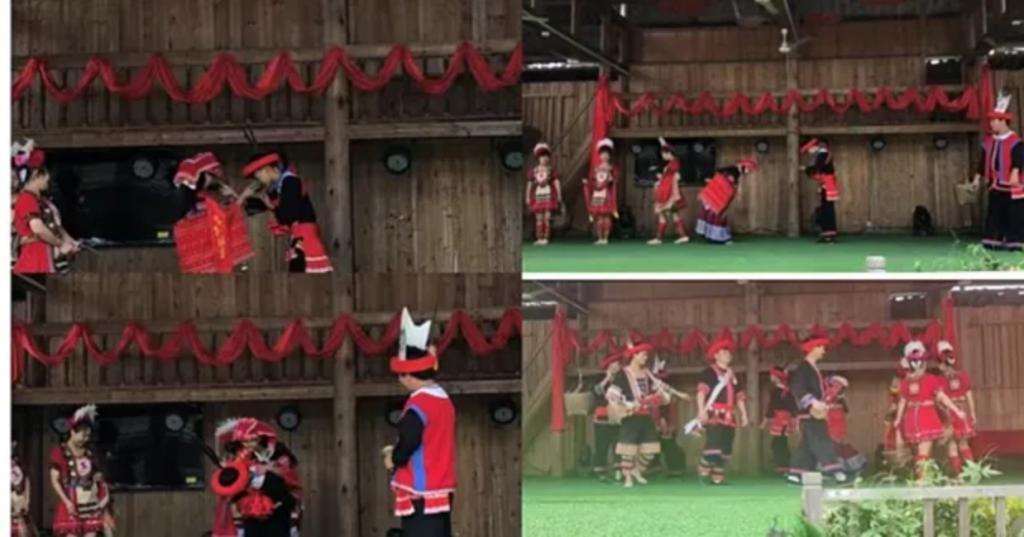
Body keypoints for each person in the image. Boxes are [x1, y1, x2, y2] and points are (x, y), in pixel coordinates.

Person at [383, 308, 457, 537]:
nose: (400, 380)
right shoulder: (443, 399)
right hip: (440, 483)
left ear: (408, 375)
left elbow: (409, 439)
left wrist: (394, 458)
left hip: (421, 488)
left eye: (401, 375)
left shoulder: (419, 403)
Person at [241, 151, 332, 273]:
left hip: (304, 236)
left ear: (266, 169)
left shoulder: (290, 181)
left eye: (258, 176)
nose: (260, 180)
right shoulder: (279, 186)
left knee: (303, 275)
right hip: (299, 235)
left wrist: (270, 205)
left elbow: (288, 214)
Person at [893, 341, 968, 480]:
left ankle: (923, 477)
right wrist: (957, 411)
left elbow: (902, 401)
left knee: (920, 451)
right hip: (926, 415)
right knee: (925, 450)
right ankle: (922, 479)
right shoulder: (930, 379)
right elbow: (942, 398)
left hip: (911, 418)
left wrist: (898, 419)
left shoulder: (905, 382)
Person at [211, 418, 298, 537]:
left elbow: (289, 475)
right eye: (244, 442)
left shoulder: (278, 452)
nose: (248, 445)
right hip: (250, 509)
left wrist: (269, 469)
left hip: (278, 506)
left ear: (260, 437)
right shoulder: (239, 456)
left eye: (252, 440)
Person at [172, 152, 254, 273]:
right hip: (212, 265)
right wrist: (240, 196)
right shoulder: (202, 203)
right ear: (202, 176)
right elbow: (224, 221)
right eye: (211, 175)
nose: (213, 178)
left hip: (197, 268)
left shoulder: (189, 203)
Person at [604, 341, 671, 488]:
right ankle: (627, 478)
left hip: (645, 415)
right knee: (628, 449)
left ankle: (636, 470)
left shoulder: (647, 373)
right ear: (634, 355)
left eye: (646, 355)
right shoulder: (623, 373)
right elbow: (612, 394)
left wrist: (661, 395)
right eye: (643, 354)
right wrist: (625, 403)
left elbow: (657, 388)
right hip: (630, 415)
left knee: (650, 449)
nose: (645, 358)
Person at [786, 339, 851, 485]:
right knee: (821, 440)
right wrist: (813, 402)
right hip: (809, 412)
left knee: (807, 445)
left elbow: (818, 386)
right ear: (812, 348)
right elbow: (798, 388)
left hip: (811, 413)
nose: (823, 350)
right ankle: (835, 471)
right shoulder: (804, 368)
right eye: (821, 347)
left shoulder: (812, 368)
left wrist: (833, 381)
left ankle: (795, 473)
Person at [12, 139, 80, 273]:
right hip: (33, 260)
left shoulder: (39, 200)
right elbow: (38, 228)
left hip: (44, 257)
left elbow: (54, 225)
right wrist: (61, 244)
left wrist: (70, 241)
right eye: (45, 174)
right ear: (36, 176)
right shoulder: (26, 199)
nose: (48, 179)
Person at [970, 92, 1024, 251]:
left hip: (1012, 186)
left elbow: (1019, 159)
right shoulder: (989, 141)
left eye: (994, 121)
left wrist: (1015, 172)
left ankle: (1015, 241)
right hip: (995, 184)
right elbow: (982, 162)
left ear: (1003, 121)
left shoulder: (1015, 141)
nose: (991, 124)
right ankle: (993, 240)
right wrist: (977, 179)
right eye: (991, 121)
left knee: (1014, 214)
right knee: (994, 212)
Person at [50, 405, 112, 537]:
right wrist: (67, 502)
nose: (86, 438)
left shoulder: (91, 452)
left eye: (88, 435)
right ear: (72, 432)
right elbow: (55, 480)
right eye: (83, 435)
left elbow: (97, 476)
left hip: (91, 503)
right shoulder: (60, 452)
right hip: (72, 502)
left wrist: (100, 486)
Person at [694, 337, 748, 485]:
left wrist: (744, 414)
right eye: (724, 352)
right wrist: (701, 410)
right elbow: (701, 392)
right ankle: (703, 472)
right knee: (714, 445)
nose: (727, 354)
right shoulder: (709, 372)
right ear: (716, 355)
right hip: (714, 415)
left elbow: (739, 397)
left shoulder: (733, 375)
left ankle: (718, 478)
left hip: (729, 416)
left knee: (726, 447)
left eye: (728, 352)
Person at [935, 340, 977, 476]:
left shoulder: (939, 379)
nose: (938, 365)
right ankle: (973, 473)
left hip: (949, 412)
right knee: (963, 443)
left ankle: (959, 475)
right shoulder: (963, 375)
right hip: (961, 410)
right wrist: (972, 413)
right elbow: (969, 396)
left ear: (943, 362)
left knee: (952, 444)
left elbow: (939, 400)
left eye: (939, 362)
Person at [696, 158, 758, 244]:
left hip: (714, 196)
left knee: (713, 215)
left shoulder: (733, 171)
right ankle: (717, 238)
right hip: (716, 196)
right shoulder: (732, 172)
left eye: (750, 171)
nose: (748, 172)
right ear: (744, 166)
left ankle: (711, 236)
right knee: (716, 216)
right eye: (749, 169)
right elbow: (724, 185)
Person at [648, 138, 690, 245]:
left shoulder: (674, 162)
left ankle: (659, 238)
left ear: (668, 153)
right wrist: (661, 179)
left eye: (663, 153)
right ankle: (683, 236)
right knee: (673, 214)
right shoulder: (670, 164)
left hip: (668, 192)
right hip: (665, 190)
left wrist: (663, 143)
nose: (662, 156)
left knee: (663, 213)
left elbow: (675, 177)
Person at [824, 375, 866, 473]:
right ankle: (837, 467)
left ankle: (851, 466)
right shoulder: (827, 395)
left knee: (840, 445)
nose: (837, 387)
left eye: (840, 386)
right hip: (831, 424)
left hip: (838, 424)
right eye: (835, 385)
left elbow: (845, 411)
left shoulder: (840, 398)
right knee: (835, 446)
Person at [801, 139, 840, 243]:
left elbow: (818, 169)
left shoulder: (823, 155)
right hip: (827, 185)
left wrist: (806, 169)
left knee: (827, 209)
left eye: (810, 149)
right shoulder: (824, 155)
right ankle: (828, 233)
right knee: (826, 208)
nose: (810, 152)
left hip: (828, 186)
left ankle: (829, 234)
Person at [590, 360, 623, 479]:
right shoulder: (599, 379)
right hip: (602, 419)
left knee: (618, 445)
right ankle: (600, 470)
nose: (616, 368)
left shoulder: (622, 380)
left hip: (617, 417)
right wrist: (607, 378)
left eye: (617, 366)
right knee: (601, 445)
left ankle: (618, 471)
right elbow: (596, 391)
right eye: (613, 366)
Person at [526, 142, 562, 246]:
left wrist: (559, 195)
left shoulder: (551, 170)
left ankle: (546, 238)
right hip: (538, 197)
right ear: (538, 158)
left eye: (546, 156)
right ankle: (539, 238)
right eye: (542, 156)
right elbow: (530, 184)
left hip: (548, 197)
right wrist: (527, 196)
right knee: (539, 218)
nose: (544, 158)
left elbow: (556, 182)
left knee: (547, 218)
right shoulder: (534, 171)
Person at [763, 366, 797, 475]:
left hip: (780, 419)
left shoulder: (777, 391)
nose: (770, 377)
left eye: (772, 375)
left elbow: (771, 407)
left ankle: (784, 466)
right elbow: (793, 407)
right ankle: (783, 466)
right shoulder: (787, 391)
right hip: (786, 419)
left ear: (776, 377)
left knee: (779, 443)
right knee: (781, 442)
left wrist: (764, 421)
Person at [584, 138, 619, 245]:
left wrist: (611, 178)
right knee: (599, 216)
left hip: (607, 194)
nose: (604, 156)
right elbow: (593, 181)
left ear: (609, 156)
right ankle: (600, 237)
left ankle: (605, 238)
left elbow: (615, 179)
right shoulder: (596, 169)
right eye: (602, 154)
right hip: (598, 194)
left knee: (607, 216)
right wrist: (587, 183)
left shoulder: (612, 168)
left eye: (607, 154)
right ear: (600, 155)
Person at [12, 442, 34, 537]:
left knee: (22, 527)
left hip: (19, 498)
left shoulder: (20, 465)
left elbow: (26, 481)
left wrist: (27, 500)